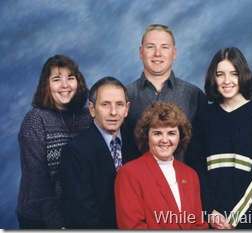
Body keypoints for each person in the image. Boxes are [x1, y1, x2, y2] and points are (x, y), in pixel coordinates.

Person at [186, 47, 252, 229]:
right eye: (220, 74)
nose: (227, 81)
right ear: (213, 78)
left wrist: (235, 218)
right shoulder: (204, 117)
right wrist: (209, 211)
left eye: (234, 74)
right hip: (214, 221)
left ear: (242, 75)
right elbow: (195, 169)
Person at [16, 55, 92, 229]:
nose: (65, 85)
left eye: (70, 78)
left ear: (78, 83)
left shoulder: (87, 117)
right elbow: (37, 181)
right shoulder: (35, 120)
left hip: (77, 213)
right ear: (46, 85)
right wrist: (58, 225)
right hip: (39, 216)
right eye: (57, 79)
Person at [59, 77, 140, 229]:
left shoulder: (137, 144)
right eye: (105, 105)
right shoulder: (75, 151)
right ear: (92, 109)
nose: (114, 112)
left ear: (127, 109)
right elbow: (83, 214)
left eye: (119, 105)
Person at [114, 101, 209, 229]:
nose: (165, 140)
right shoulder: (129, 173)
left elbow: (199, 225)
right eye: (157, 133)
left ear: (180, 136)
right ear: (146, 136)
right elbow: (132, 226)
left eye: (171, 133)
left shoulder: (190, 175)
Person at [125, 24, 208, 161]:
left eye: (164, 47)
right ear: (141, 52)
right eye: (150, 47)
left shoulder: (194, 96)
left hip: (183, 180)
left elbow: (203, 147)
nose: (157, 53)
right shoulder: (125, 95)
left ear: (174, 53)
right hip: (137, 181)